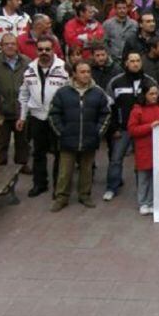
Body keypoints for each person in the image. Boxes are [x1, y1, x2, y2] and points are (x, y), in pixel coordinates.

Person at [47, 61, 110, 212]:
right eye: (82, 72)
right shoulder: (62, 92)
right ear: (74, 74)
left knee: (87, 170)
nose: (86, 75)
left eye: (88, 71)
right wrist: (62, 132)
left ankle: (85, 195)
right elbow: (53, 114)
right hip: (68, 140)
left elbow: (105, 114)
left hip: (89, 139)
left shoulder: (98, 92)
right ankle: (61, 198)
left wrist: (97, 133)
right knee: (65, 172)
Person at [17, 37, 69, 197]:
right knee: (38, 153)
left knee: (59, 154)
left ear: (53, 50)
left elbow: (70, 95)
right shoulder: (29, 70)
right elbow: (24, 95)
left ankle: (58, 188)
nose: (44, 53)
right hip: (37, 118)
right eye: (40, 49)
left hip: (57, 118)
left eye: (47, 49)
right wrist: (22, 117)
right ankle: (39, 184)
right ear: (36, 50)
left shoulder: (64, 69)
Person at [103, 52, 157, 201]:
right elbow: (109, 107)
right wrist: (114, 128)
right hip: (123, 129)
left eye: (138, 61)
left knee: (143, 160)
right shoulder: (116, 82)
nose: (135, 64)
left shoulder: (150, 82)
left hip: (144, 129)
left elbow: (157, 104)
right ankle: (112, 187)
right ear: (126, 63)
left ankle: (144, 189)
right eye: (132, 61)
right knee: (116, 159)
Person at [0, 34, 30, 170]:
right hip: (2, 112)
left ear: (17, 46)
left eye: (13, 43)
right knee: (1, 143)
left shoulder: (27, 63)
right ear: (1, 46)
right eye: (6, 44)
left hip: (21, 110)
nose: (10, 46)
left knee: (23, 142)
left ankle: (22, 165)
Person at [127, 84, 159, 215]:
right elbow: (132, 130)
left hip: (158, 148)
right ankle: (143, 202)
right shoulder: (137, 110)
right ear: (144, 94)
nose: (154, 96)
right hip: (144, 147)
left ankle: (151, 202)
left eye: (156, 94)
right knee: (144, 177)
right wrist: (151, 126)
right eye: (151, 94)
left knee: (154, 177)